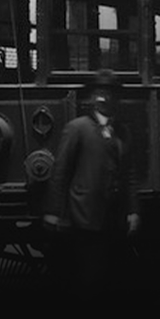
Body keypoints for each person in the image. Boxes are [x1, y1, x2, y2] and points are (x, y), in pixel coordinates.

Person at [43, 69, 141, 303]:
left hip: (114, 216)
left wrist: (133, 210)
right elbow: (61, 172)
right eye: (99, 92)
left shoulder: (123, 132)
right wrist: (54, 212)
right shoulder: (77, 128)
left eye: (109, 93)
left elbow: (129, 174)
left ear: (116, 98)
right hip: (84, 216)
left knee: (111, 278)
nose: (104, 98)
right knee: (88, 278)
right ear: (91, 97)